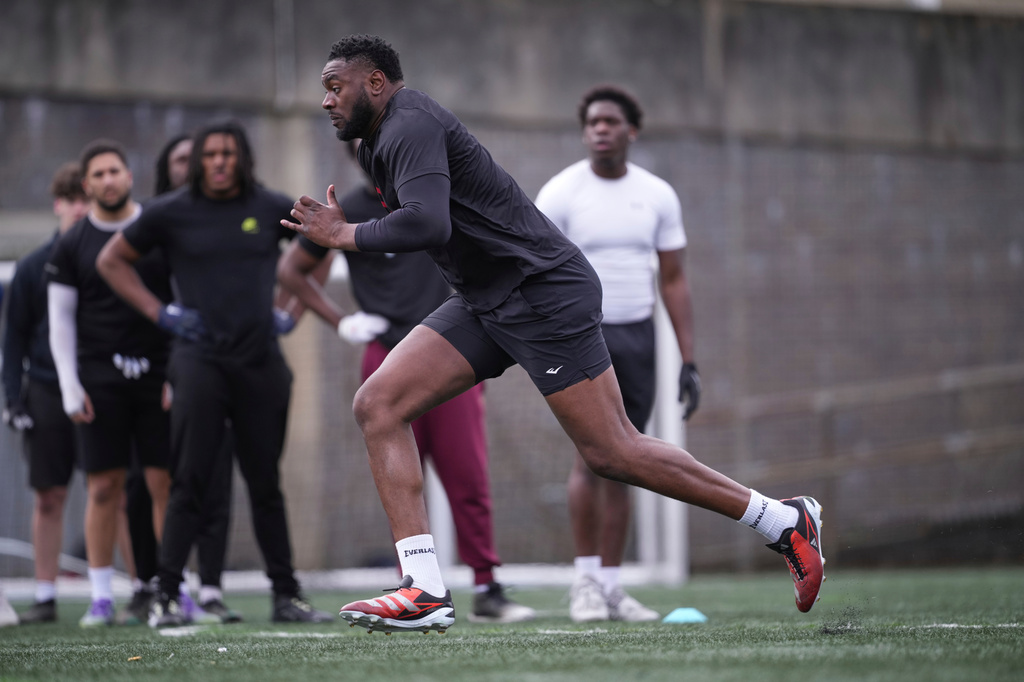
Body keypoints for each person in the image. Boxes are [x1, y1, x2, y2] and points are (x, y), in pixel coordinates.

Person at [282, 35, 825, 634]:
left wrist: (346, 235)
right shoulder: (380, 138)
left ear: (376, 83)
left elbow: (427, 222)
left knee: (611, 452)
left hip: (542, 294)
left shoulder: (408, 123)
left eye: (337, 86)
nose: (328, 101)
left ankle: (781, 521)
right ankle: (426, 590)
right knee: (378, 404)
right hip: (489, 299)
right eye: (324, 90)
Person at [277, 139, 535, 624]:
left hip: (453, 353)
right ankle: (417, 585)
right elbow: (291, 271)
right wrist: (341, 322)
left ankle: (486, 585)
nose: (364, 150)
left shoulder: (434, 196)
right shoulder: (349, 207)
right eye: (355, 143)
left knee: (467, 474)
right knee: (398, 477)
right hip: (387, 355)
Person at [96, 120, 332, 627]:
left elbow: (321, 248)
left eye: (229, 154)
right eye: (211, 155)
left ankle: (286, 596)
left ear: (242, 159)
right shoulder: (170, 212)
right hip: (199, 361)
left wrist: (292, 312)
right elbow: (111, 261)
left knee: (265, 482)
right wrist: (162, 314)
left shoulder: (271, 207)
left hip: (260, 363)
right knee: (190, 481)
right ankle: (166, 594)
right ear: (199, 161)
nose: (220, 162)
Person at [534, 85, 701, 623]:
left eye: (611, 121)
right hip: (582, 337)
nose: (600, 130)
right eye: (592, 123)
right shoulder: (560, 193)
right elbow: (531, 269)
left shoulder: (657, 195)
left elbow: (673, 280)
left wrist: (689, 359)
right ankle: (584, 581)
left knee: (630, 460)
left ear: (632, 130)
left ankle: (610, 586)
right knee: (592, 456)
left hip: (638, 340)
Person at [46, 140, 174, 627]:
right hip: (99, 380)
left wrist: (178, 375)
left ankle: (171, 589)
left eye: (114, 171)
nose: (107, 180)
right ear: (87, 184)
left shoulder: (156, 232)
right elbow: (60, 321)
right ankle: (101, 597)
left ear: (129, 175)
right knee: (104, 488)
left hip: (159, 377)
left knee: (164, 484)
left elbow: (181, 299)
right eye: (97, 174)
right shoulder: (71, 243)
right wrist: (69, 385)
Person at [119, 133, 241, 625]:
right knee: (144, 482)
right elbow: (128, 292)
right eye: (185, 160)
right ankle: (147, 584)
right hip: (156, 371)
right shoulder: (150, 226)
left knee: (214, 478)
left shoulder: (236, 218)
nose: (198, 166)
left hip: (218, 364)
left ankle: (208, 587)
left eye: (208, 157)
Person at [2, 162, 89, 624]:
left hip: (102, 391)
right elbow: (13, 336)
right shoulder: (34, 267)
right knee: (48, 496)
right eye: (72, 198)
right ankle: (44, 594)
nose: (81, 207)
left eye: (87, 198)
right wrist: (13, 398)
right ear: (59, 204)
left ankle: (136, 594)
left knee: (115, 489)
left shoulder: (110, 261)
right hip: (47, 391)